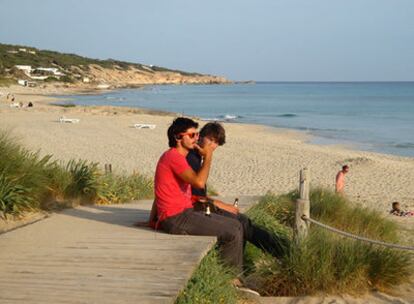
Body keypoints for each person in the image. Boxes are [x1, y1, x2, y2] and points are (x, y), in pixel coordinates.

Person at [150, 117, 288, 274]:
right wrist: (208, 156)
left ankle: (272, 254)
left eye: (196, 134)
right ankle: (234, 278)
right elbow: (199, 184)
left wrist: (153, 219)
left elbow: (162, 189)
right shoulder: (179, 158)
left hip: (183, 211)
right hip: (180, 215)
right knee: (236, 226)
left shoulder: (181, 156)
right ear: (178, 137)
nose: (197, 139)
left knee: (239, 224)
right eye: (193, 135)